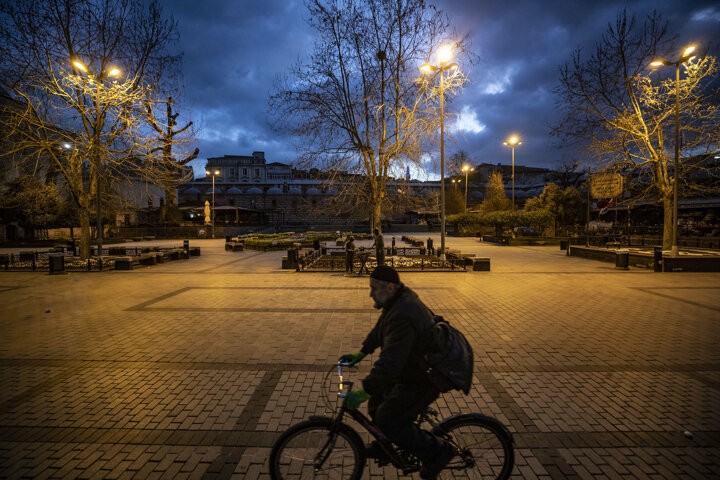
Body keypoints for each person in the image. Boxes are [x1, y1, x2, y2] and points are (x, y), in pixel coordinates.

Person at [339, 266, 455, 479]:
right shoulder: (397, 302)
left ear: (390, 287)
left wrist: (363, 391)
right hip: (413, 370)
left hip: (425, 378)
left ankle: (439, 452)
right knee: (377, 403)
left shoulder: (403, 313)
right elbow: (380, 329)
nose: (370, 293)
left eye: (374, 288)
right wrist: (362, 352)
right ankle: (390, 443)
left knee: (388, 418)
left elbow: (390, 364)